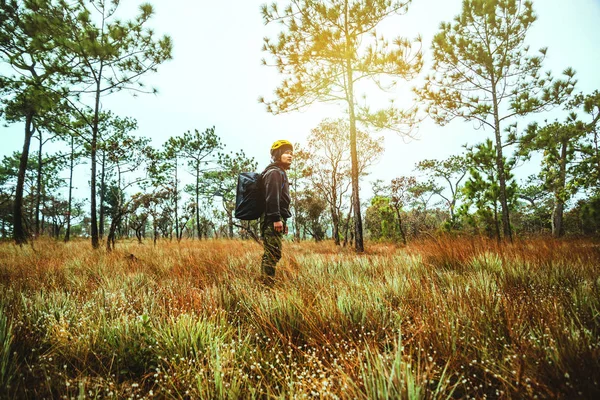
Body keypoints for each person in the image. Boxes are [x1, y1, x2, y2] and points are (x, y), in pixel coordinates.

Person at [260, 139, 293, 285]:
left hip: (276, 218)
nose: (290, 156)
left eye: (291, 153)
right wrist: (276, 218)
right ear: (278, 154)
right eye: (286, 153)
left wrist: (283, 220)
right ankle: (267, 287)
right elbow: (272, 198)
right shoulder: (274, 173)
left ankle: (267, 283)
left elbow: (282, 200)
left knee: (272, 253)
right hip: (271, 218)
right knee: (273, 253)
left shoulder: (279, 172)